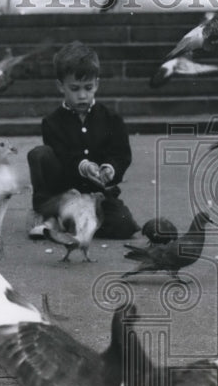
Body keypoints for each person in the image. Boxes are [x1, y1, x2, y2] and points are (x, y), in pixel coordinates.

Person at [26, 41, 139, 240]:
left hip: (98, 196)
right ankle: (47, 212)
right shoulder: (52, 122)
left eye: (88, 87)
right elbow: (62, 155)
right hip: (64, 192)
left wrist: (110, 168)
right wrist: (83, 166)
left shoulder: (112, 119)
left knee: (125, 226)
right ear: (61, 86)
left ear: (97, 84)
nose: (82, 95)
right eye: (75, 88)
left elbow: (121, 154)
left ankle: (69, 223)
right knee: (39, 154)